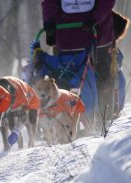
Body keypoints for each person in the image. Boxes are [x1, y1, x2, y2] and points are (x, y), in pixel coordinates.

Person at [41, 0, 116, 133]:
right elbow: (49, 3)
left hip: (98, 37)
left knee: (102, 79)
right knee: (63, 81)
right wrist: (49, 21)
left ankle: (104, 119)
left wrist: (96, 18)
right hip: (66, 38)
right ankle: (63, 122)